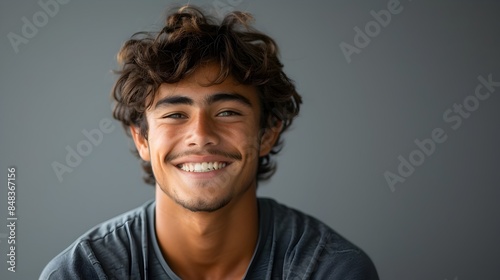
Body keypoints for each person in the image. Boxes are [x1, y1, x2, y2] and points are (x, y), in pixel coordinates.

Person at [40, 5, 379, 279]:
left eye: (228, 112)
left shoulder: (329, 270)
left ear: (268, 133)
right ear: (142, 138)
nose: (201, 135)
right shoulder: (82, 273)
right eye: (175, 115)